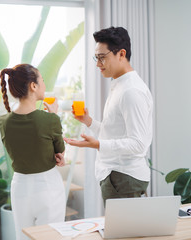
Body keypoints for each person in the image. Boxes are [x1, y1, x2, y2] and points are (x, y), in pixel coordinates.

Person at [64, 26, 153, 203]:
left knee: (125, 231)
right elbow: (115, 131)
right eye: (96, 58)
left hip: (123, 177)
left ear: (121, 54)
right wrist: (89, 122)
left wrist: (97, 144)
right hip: (118, 176)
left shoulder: (131, 91)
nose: (98, 64)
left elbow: (138, 144)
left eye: (102, 58)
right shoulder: (120, 85)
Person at [0, 64, 66, 240]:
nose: (44, 84)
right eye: (42, 80)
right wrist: (54, 116)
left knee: (24, 237)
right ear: (33, 86)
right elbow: (60, 152)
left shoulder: (4, 121)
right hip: (48, 187)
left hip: (20, 188)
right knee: (51, 237)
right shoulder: (50, 120)